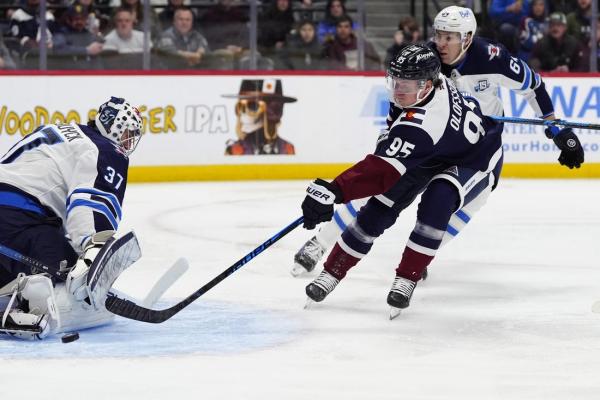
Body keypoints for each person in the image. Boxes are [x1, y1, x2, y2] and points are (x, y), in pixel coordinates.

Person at [291, 6, 584, 287]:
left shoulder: (492, 58)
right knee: (381, 186)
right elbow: (400, 101)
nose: (440, 43)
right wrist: (389, 135)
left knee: (464, 203)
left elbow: (533, 86)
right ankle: (320, 242)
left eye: (449, 37)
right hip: (430, 141)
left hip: (475, 148)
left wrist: (555, 126)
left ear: (466, 38)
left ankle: (422, 255)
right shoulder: (426, 59)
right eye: (438, 34)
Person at [300, 44, 504, 314]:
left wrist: (334, 190)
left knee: (437, 201)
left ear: (427, 85)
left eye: (405, 85)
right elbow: (394, 138)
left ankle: (407, 277)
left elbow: (379, 171)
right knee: (379, 208)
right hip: (437, 150)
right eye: (395, 81)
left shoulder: (426, 123)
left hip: (475, 158)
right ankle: (331, 273)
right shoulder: (424, 88)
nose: (397, 90)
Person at [0, 97, 143, 339]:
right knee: (67, 276)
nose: (128, 141)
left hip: (13, 218)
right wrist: (93, 247)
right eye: (127, 133)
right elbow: (90, 201)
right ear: (114, 126)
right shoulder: (105, 149)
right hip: (18, 219)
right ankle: (28, 305)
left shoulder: (59, 130)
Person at [224, 79, 296, 155]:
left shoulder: (288, 149)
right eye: (240, 106)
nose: (243, 115)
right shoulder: (233, 151)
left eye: (253, 106)